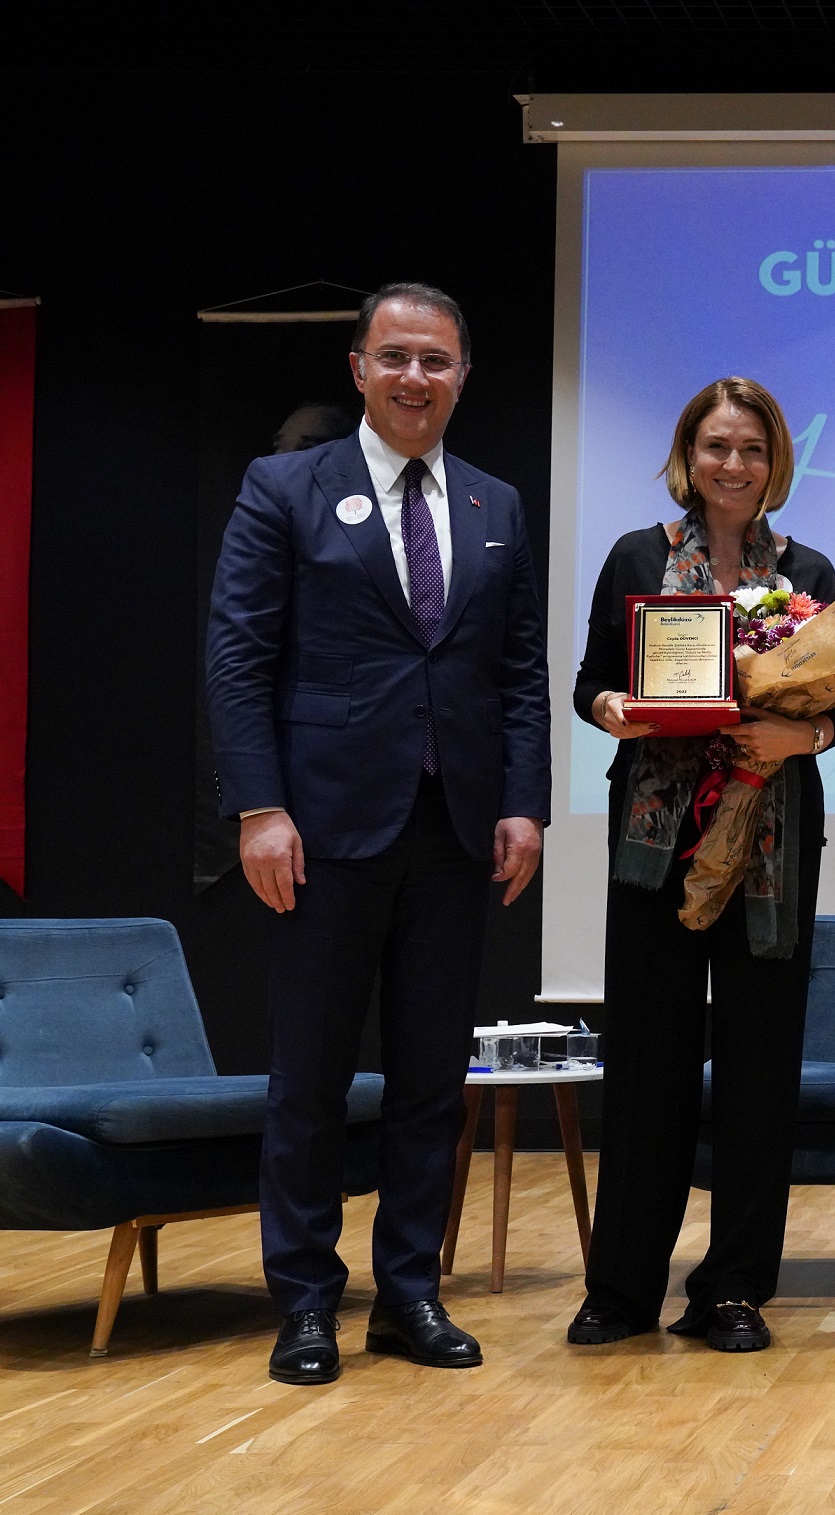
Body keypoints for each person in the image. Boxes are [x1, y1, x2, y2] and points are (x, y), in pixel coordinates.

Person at [207, 282, 551, 1386]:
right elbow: (236, 657)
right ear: (358, 367)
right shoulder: (284, 487)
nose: (415, 378)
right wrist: (259, 806)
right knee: (308, 1079)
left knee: (429, 1084)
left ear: (462, 375)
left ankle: (409, 1291)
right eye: (394, 357)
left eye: (436, 361)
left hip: (455, 832)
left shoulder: (496, 503)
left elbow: (519, 674)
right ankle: (305, 1299)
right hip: (321, 827)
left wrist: (522, 801)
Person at [565, 378, 835, 1353]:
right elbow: (589, 683)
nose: (734, 465)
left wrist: (792, 736)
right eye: (718, 447)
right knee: (647, 1063)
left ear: (776, 463)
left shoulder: (808, 569)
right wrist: (616, 712)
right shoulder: (638, 556)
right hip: (657, 841)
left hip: (770, 844)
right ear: (689, 453)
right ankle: (621, 1289)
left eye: (753, 450)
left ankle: (732, 1288)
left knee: (761, 1068)